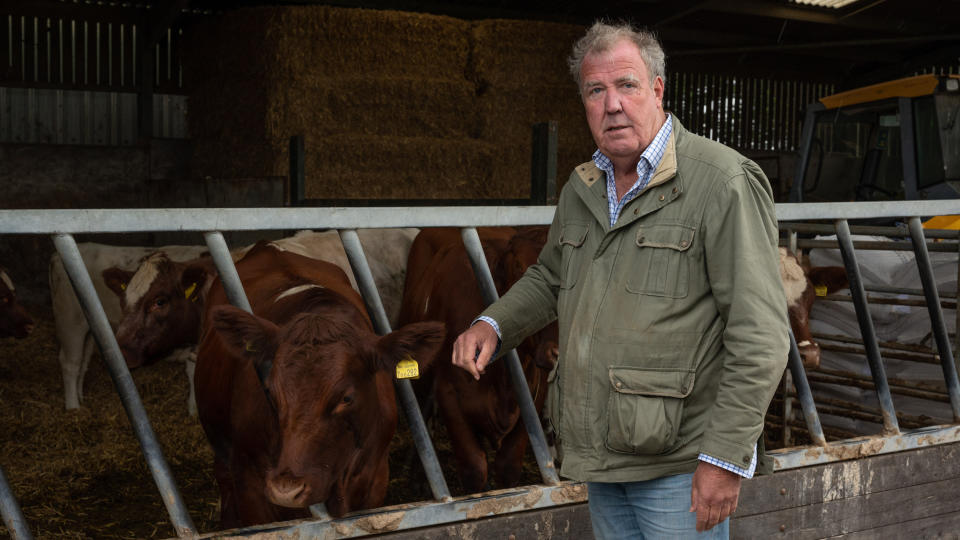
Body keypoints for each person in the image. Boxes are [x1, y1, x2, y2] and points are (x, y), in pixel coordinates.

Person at [451, 21, 789, 539]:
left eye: (627, 85)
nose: (612, 104)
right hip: (602, 455)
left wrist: (725, 456)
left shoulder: (720, 182)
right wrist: (493, 325)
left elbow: (760, 334)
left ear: (657, 89)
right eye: (596, 90)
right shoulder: (583, 186)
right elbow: (550, 276)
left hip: (678, 464)